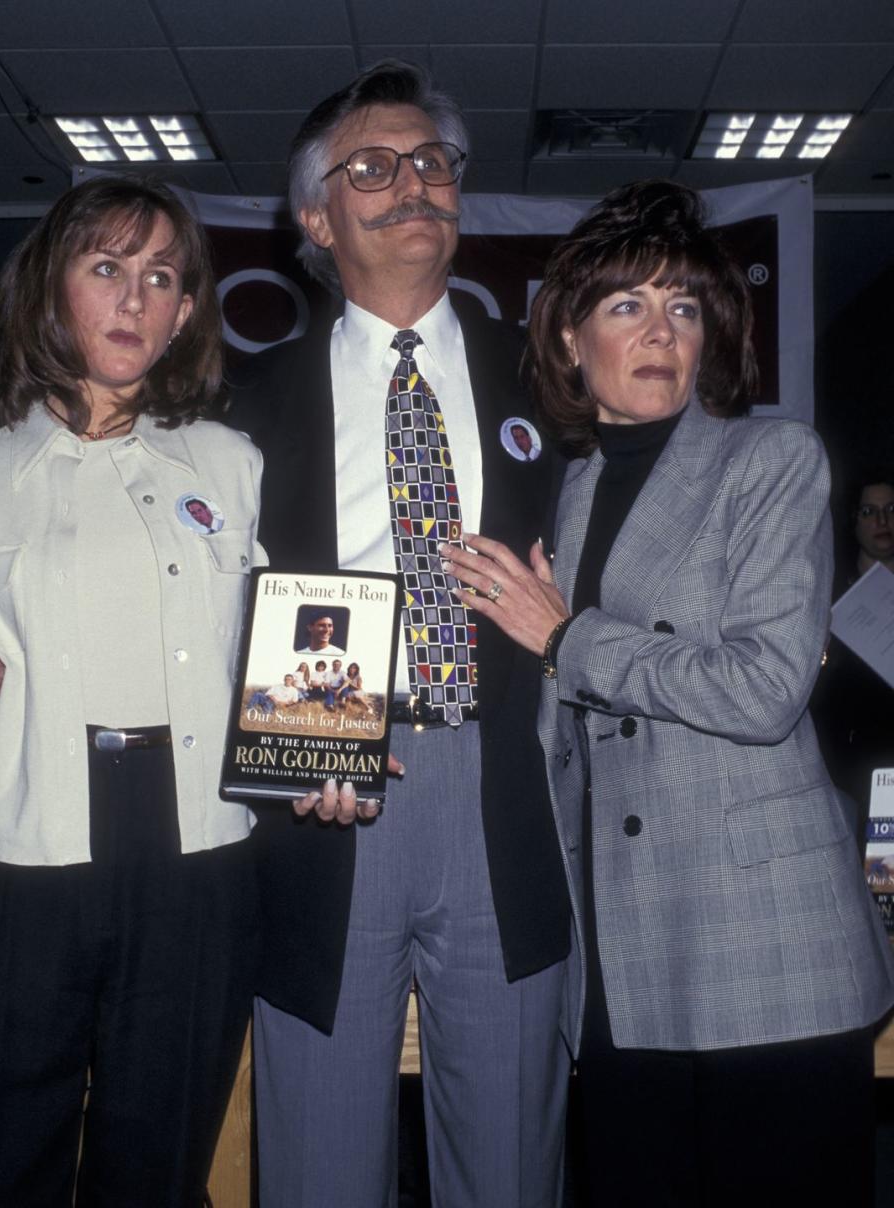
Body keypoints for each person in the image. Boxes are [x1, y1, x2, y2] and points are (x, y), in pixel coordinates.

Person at [441, 179, 894, 1207]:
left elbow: (767, 685)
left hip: (764, 948)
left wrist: (567, 634)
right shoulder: (556, 488)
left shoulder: (768, 459)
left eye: (683, 306)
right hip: (614, 958)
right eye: (626, 305)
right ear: (566, 338)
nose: (661, 331)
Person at [228, 60, 572, 1208]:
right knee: (320, 1159)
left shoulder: (555, 384)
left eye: (430, 161)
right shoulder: (238, 404)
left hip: (506, 791)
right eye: (370, 167)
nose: (410, 183)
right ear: (319, 218)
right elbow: (203, 597)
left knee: (512, 1160)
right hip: (324, 790)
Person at [0, 175, 267, 1206]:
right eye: (107, 267)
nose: (134, 297)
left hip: (196, 858)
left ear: (182, 317)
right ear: (50, 292)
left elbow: (286, 660)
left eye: (161, 276)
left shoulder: (233, 463)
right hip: (19, 852)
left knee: (159, 1167)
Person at [813, 468, 894, 850]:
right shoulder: (829, 594)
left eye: (892, 509)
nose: (882, 521)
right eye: (869, 512)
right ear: (853, 521)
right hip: (852, 766)